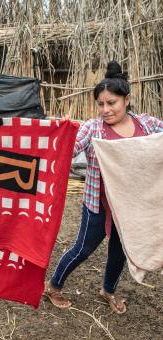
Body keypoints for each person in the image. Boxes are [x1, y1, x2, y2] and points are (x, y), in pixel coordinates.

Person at [45, 60, 163, 314]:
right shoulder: (93, 128)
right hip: (97, 204)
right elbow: (69, 150)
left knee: (120, 251)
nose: (105, 110)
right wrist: (63, 133)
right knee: (83, 249)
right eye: (101, 104)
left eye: (112, 103)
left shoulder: (147, 125)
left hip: (130, 207)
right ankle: (54, 286)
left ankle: (108, 290)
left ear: (127, 100)